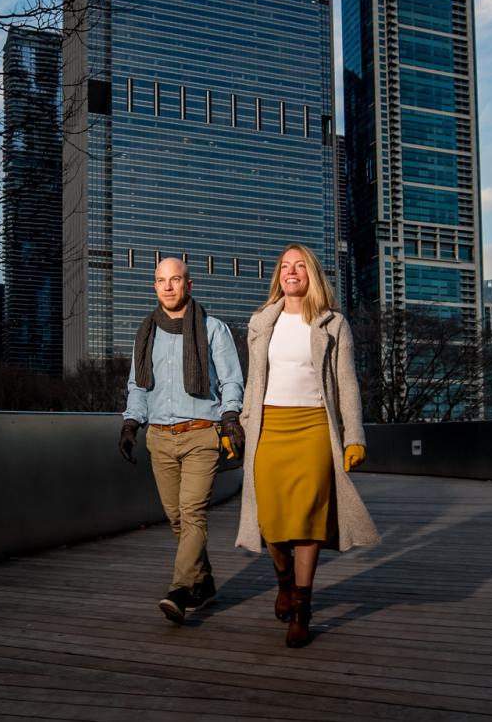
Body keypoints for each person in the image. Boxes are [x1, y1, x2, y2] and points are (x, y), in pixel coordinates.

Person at [235, 243, 378, 648]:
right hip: (269, 427)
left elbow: (347, 382)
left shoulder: (333, 323)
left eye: (299, 266)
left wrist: (354, 437)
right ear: (278, 275)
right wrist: (244, 426)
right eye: (285, 266)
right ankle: (283, 581)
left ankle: (302, 607)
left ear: (312, 274)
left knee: (309, 520)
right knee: (272, 523)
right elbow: (254, 382)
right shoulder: (261, 320)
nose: (291, 272)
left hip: (314, 427)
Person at [119, 256, 246, 623]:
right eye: (162, 280)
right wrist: (130, 423)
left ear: (189, 285)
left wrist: (230, 415)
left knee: (192, 514)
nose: (169, 286)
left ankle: (179, 589)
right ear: (155, 286)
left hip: (201, 434)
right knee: (176, 518)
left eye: (176, 279)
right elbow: (137, 386)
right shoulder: (146, 333)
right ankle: (203, 580)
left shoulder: (212, 329)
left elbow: (231, 380)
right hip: (158, 437)